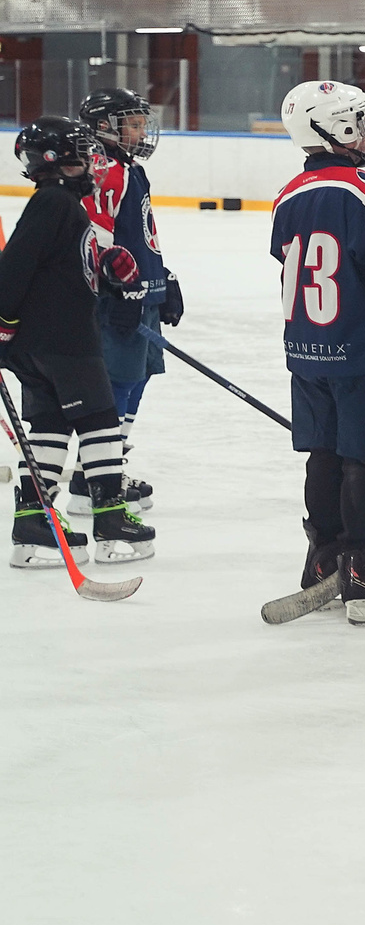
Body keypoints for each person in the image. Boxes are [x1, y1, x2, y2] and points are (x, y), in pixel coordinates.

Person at [271, 81, 365, 619]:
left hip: (306, 347)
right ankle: (360, 563)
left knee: (324, 452)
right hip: (361, 346)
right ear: (333, 127)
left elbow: (283, 261)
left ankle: (321, 556)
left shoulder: (287, 195)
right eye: (357, 118)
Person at [0, 118, 152, 569]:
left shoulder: (63, 206)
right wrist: (3, 322)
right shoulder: (54, 203)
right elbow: (14, 267)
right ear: (56, 160)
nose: (91, 162)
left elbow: (61, 267)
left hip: (43, 342)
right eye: (81, 154)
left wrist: (107, 269)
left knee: (48, 428)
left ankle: (33, 523)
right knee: (101, 422)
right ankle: (109, 520)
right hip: (64, 341)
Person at [78, 86, 176, 512]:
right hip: (121, 297)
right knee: (117, 380)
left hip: (144, 291)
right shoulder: (103, 172)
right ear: (104, 127)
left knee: (139, 376)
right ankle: (93, 479)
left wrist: (163, 278)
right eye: (131, 123)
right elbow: (98, 240)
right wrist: (118, 289)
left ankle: (112, 464)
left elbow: (141, 233)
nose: (140, 131)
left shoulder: (128, 167)